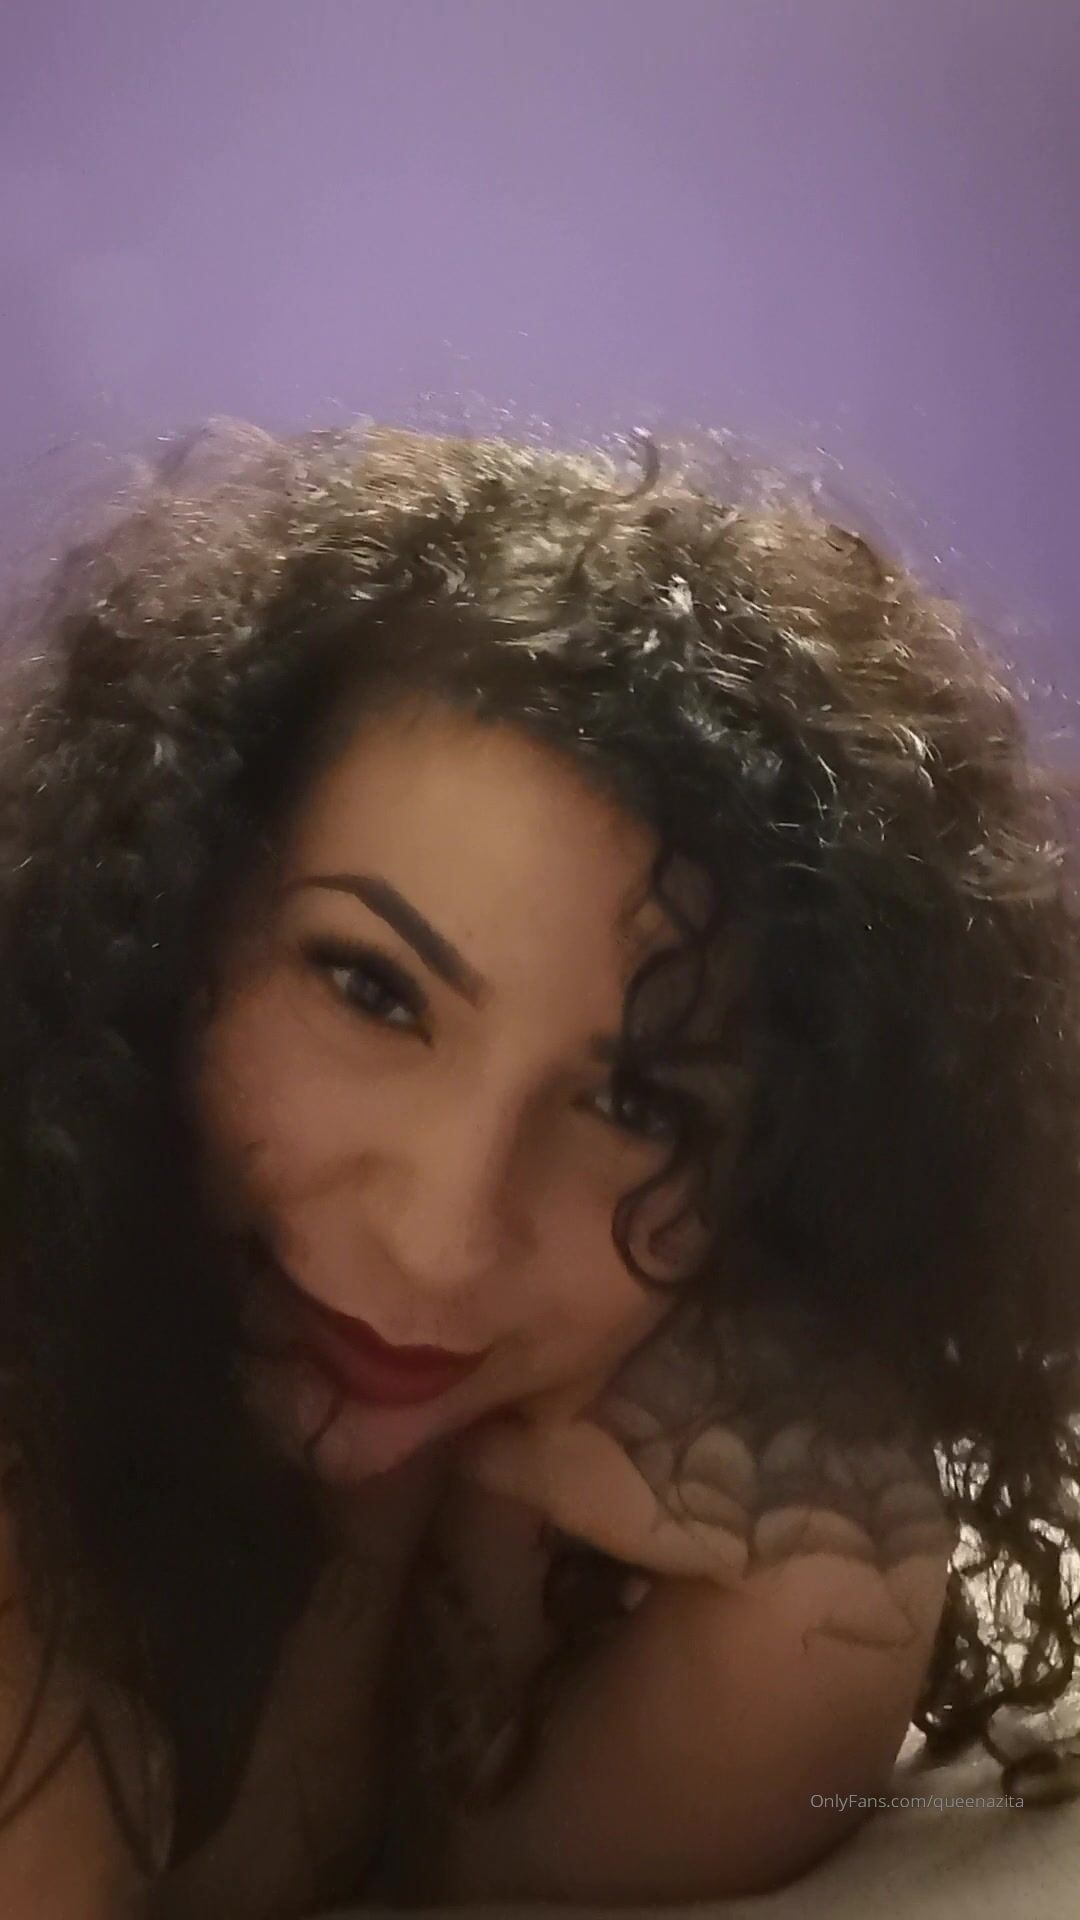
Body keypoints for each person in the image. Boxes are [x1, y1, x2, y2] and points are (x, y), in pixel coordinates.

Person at [0, 417, 1078, 1917]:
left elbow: (556, 1847)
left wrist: (834, 1590)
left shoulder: (477, 1536)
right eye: (371, 990)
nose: (444, 1239)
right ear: (162, 922)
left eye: (639, 1102)